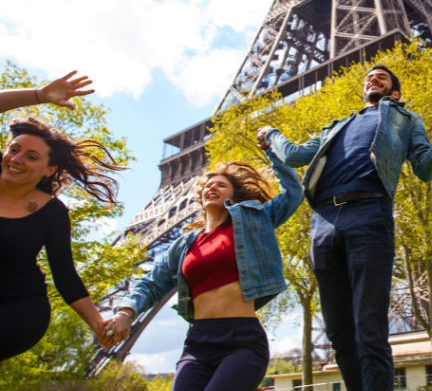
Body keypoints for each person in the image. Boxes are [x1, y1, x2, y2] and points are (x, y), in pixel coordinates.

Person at [257, 64, 432, 391]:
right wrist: (272, 133)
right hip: (323, 220)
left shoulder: (405, 120)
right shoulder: (337, 126)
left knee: (369, 327)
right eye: (369, 77)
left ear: (394, 93)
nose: (373, 78)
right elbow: (296, 156)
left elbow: (426, 169)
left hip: (369, 212)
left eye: (382, 77)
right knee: (339, 333)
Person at [100, 150, 303, 391]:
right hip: (198, 342)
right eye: (208, 185)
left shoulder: (254, 222)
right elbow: (152, 283)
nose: (212, 187)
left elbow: (293, 193)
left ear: (235, 196)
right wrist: (126, 311)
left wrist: (272, 149)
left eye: (221, 185)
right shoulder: (184, 245)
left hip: (241, 339)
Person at [0, 71, 124, 361]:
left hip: (16, 309)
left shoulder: (52, 211)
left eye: (32, 156)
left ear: (50, 169)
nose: (16, 159)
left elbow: (65, 276)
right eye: (13, 149)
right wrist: (38, 96)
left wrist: (99, 325)